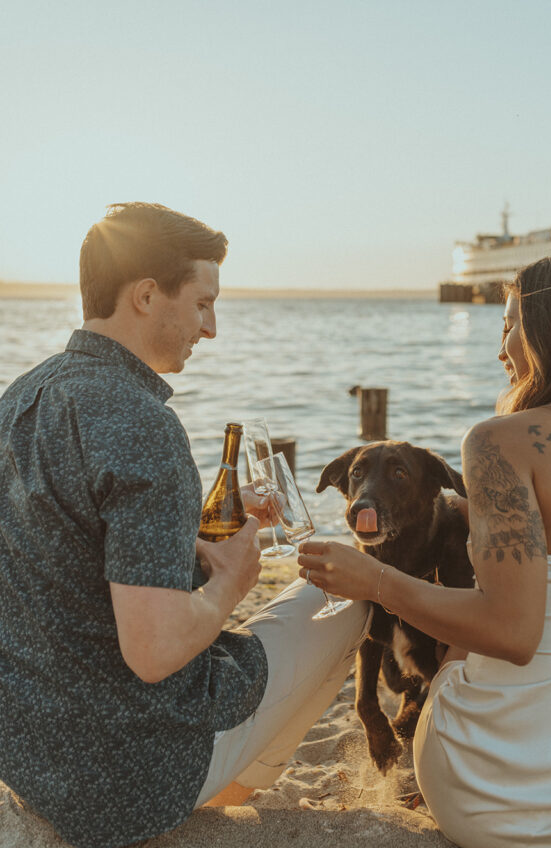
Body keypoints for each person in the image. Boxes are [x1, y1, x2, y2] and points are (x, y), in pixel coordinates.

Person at [0, 202, 369, 848]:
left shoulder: (22, 397)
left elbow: (61, 551)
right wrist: (231, 583)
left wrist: (196, 530)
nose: (212, 327)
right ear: (145, 296)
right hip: (125, 777)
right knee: (347, 596)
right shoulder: (143, 421)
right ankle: (213, 796)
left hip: (32, 757)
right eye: (203, 303)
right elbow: (153, 653)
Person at [300, 250, 551, 848]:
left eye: (509, 327)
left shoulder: (501, 441)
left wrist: (369, 580)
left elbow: (512, 633)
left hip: (511, 787)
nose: (501, 348)